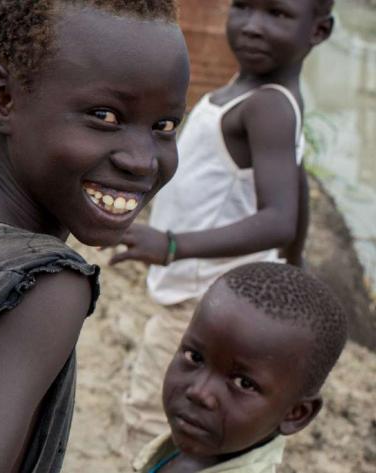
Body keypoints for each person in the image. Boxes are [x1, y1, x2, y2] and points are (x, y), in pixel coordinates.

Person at [0, 1, 191, 472]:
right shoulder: (46, 287)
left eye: (164, 126)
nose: (142, 160)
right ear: (2, 97)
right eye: (104, 116)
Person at [113, 0, 336, 453]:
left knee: (151, 420)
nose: (253, 26)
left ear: (319, 31)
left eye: (277, 13)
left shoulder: (266, 107)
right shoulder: (252, 92)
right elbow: (293, 182)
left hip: (211, 302)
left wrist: (172, 244)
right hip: (218, 297)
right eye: (243, 7)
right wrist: (293, 264)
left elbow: (279, 218)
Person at [133, 262, 348, 472]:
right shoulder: (199, 446)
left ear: (295, 413)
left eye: (243, 383)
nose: (200, 392)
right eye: (195, 357)